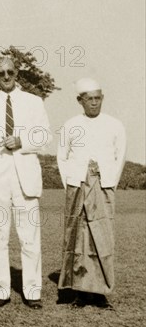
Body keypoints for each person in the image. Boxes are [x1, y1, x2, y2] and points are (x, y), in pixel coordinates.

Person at [0, 57, 51, 309]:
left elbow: (45, 136)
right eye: (0, 73)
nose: (6, 76)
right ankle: (0, 291)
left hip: (24, 175)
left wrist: (22, 142)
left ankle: (32, 292)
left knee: (29, 236)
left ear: (17, 73)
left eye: (10, 72)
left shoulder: (33, 101)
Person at [57, 78, 126, 310]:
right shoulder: (70, 125)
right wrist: (73, 182)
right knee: (77, 237)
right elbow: (62, 157)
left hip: (103, 187)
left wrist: (108, 182)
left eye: (98, 98)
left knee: (101, 238)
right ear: (80, 100)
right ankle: (80, 291)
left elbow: (119, 156)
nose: (94, 103)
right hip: (77, 187)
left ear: (102, 98)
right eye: (90, 99)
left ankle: (100, 293)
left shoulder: (114, 125)